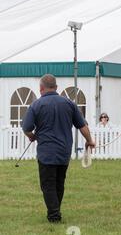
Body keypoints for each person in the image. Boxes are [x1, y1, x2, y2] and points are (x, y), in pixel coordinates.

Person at [22, 74, 96, 223]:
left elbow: (26, 127)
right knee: (59, 183)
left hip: (46, 152)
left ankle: (54, 215)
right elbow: (82, 126)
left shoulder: (36, 105)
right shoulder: (69, 104)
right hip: (64, 151)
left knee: (48, 184)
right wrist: (89, 141)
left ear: (41, 88)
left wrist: (32, 136)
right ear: (56, 87)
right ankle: (56, 210)